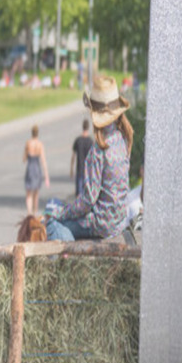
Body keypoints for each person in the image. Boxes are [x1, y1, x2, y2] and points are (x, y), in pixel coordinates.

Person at [44, 75, 132, 242]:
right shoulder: (122, 140)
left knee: (53, 223)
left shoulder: (99, 150)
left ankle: (68, 261)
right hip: (118, 221)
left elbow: (88, 200)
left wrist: (62, 212)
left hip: (101, 224)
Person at [24, 125, 50, 215]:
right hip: (37, 168)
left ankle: (29, 213)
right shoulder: (40, 144)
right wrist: (46, 176)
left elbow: (24, 158)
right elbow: (43, 160)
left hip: (30, 167)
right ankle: (34, 212)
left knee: (29, 193)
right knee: (36, 193)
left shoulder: (28, 143)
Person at [70, 119, 94, 197]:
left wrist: (71, 169)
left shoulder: (78, 140)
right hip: (88, 169)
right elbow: (93, 157)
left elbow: (73, 156)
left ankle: (78, 208)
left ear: (82, 127)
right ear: (88, 127)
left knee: (78, 193)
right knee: (87, 193)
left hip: (79, 168)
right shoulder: (90, 141)